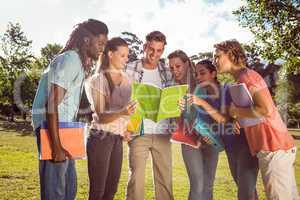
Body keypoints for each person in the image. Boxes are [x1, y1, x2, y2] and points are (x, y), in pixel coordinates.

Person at [31, 19, 108, 200]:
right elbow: (52, 104)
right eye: (100, 43)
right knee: (55, 191)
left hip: (66, 129)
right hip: (53, 130)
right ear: (86, 40)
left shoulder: (78, 63)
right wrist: (56, 146)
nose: (102, 49)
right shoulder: (71, 60)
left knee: (68, 189)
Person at [213, 39, 298, 200]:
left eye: (217, 56)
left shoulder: (248, 77)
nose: (214, 61)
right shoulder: (241, 80)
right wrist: (238, 119)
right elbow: (254, 112)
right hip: (269, 148)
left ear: (231, 55)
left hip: (274, 147)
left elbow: (265, 110)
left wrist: (235, 110)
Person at [182, 59, 259, 200]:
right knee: (244, 188)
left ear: (213, 73)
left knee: (246, 190)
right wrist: (208, 136)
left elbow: (226, 119)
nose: (198, 77)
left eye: (202, 73)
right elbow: (212, 124)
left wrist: (203, 104)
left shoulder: (228, 90)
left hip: (244, 145)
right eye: (196, 74)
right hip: (230, 147)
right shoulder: (205, 97)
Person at [84, 37, 136, 200]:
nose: (126, 59)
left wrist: (126, 129)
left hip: (117, 139)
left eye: (127, 56)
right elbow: (101, 117)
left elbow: (128, 112)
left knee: (111, 191)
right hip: (100, 138)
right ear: (111, 54)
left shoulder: (127, 80)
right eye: (123, 55)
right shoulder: (99, 80)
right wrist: (123, 112)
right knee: (98, 191)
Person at [125, 31, 174, 200]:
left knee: (165, 178)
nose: (154, 54)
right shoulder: (130, 67)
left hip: (162, 132)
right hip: (139, 130)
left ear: (163, 51)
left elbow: (173, 98)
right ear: (145, 47)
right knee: (136, 177)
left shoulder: (167, 72)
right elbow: (120, 95)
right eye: (151, 49)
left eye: (159, 50)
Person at [168, 51, 219, 200]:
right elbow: (175, 120)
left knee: (209, 184)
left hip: (210, 137)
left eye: (177, 66)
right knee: (198, 184)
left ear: (186, 63)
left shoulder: (201, 81)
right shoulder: (172, 88)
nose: (174, 70)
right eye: (171, 68)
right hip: (189, 140)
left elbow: (215, 108)